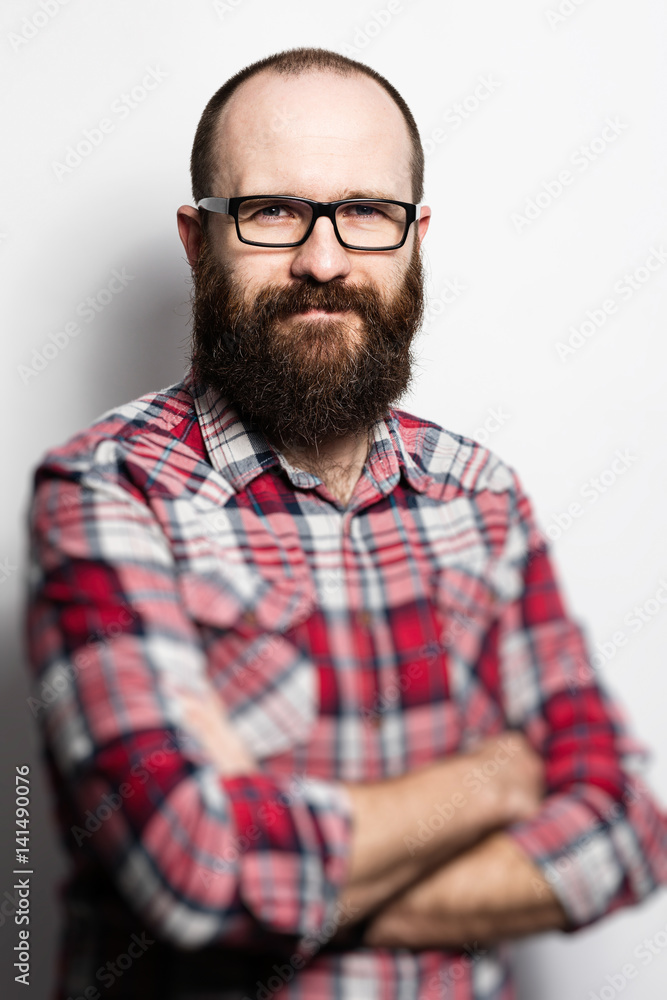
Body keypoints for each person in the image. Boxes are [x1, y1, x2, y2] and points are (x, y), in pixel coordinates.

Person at [25, 46, 666, 1000]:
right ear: (198, 241)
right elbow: (193, 874)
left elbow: (624, 829)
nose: (323, 260)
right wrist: (488, 781)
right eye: (271, 211)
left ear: (414, 238)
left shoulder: (479, 495)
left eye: (366, 212)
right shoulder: (108, 488)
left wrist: (278, 867)